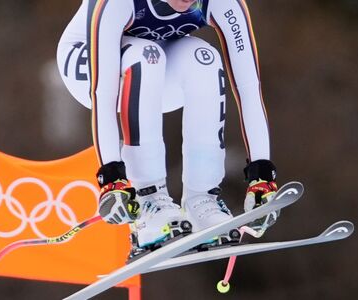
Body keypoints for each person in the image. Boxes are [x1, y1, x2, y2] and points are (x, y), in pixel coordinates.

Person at [57, 0, 278, 256]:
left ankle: (202, 200)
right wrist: (112, 179)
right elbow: (102, 95)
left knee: (203, 58)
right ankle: (148, 201)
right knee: (146, 55)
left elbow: (249, 88)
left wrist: (261, 177)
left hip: (156, 70)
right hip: (88, 65)